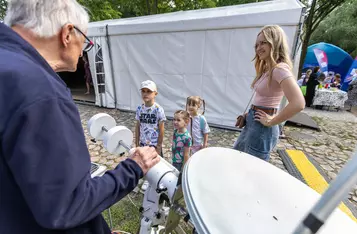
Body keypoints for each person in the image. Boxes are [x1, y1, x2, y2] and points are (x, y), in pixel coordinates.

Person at [0, 1, 159, 234]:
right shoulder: (41, 92)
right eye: (86, 38)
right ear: (67, 33)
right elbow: (66, 205)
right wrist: (133, 168)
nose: (85, 47)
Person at [232, 25, 305, 161]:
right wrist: (249, 114)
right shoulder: (268, 69)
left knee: (250, 169)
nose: (259, 48)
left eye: (263, 42)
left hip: (262, 129)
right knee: (239, 161)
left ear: (275, 42)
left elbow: (298, 103)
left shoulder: (279, 69)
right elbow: (265, 97)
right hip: (254, 121)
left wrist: (272, 121)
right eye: (257, 44)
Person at [135, 80, 166, 190]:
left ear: (155, 94)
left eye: (149, 91)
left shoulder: (158, 109)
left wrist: (159, 145)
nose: (145, 94)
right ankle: (146, 178)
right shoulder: (139, 109)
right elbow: (138, 126)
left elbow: (161, 129)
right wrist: (136, 142)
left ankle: (156, 180)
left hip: (154, 143)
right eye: (143, 91)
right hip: (143, 142)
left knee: (156, 163)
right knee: (143, 161)